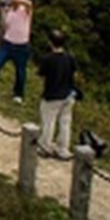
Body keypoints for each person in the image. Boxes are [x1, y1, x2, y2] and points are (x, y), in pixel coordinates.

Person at [35, 29, 78, 158]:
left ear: (50, 42)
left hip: (52, 95)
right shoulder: (70, 57)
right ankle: (62, 148)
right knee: (65, 122)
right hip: (68, 94)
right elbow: (75, 74)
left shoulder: (48, 59)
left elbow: (41, 75)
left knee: (49, 121)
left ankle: (45, 146)